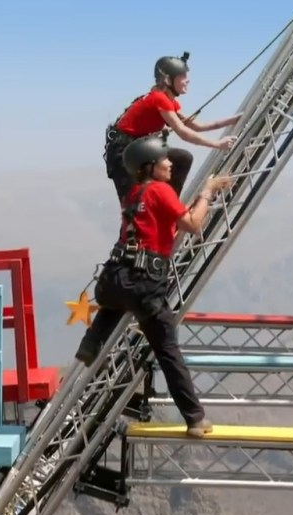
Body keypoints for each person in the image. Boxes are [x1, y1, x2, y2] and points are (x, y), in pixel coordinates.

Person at [75, 135, 232, 437]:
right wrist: (207, 193)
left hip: (113, 279)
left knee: (114, 304)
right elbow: (193, 225)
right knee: (168, 351)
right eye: (165, 160)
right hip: (145, 284)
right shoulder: (161, 190)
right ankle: (195, 419)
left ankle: (92, 342)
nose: (170, 164)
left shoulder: (134, 193)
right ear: (150, 166)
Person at [103, 52, 242, 202]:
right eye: (183, 76)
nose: (187, 81)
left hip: (139, 151)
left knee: (182, 159)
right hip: (123, 155)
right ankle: (160, 210)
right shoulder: (159, 99)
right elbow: (183, 132)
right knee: (136, 207)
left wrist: (234, 120)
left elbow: (197, 126)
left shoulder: (167, 101)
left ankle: (168, 207)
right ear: (168, 80)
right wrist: (218, 144)